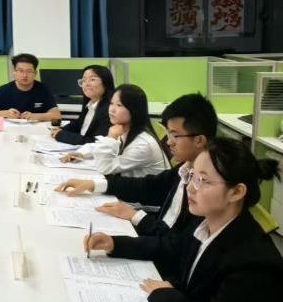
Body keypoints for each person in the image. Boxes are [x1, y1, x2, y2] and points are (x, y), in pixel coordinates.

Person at [85, 139, 283, 302]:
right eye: (191, 176)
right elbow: (171, 248)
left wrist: (163, 293)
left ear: (236, 192)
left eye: (203, 181)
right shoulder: (205, 223)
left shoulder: (253, 263)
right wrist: (115, 244)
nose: (190, 187)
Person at [56, 94, 216, 276]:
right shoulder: (185, 168)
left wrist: (135, 217)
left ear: (199, 140)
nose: (168, 142)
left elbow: (176, 244)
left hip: (170, 266)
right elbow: (148, 186)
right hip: (158, 244)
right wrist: (94, 184)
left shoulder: (208, 187)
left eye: (175, 135)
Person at [60, 84, 169, 177]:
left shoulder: (142, 144)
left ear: (134, 110)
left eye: (119, 105)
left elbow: (105, 168)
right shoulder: (125, 129)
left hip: (142, 195)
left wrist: (111, 138)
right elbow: (97, 145)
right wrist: (81, 153)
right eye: (111, 103)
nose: (112, 109)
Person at [0, 53, 61, 121]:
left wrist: (35, 116)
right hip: (10, 129)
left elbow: (56, 115)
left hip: (35, 129)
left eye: (29, 71)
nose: (25, 75)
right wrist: (6, 113)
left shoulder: (43, 89)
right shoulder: (3, 90)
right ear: (14, 72)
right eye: (20, 71)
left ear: (35, 73)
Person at [49, 65, 114, 145]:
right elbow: (78, 124)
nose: (86, 84)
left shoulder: (110, 110)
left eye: (92, 79)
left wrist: (61, 135)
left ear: (106, 82)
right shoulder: (90, 103)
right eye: (83, 80)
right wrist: (61, 129)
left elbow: (95, 142)